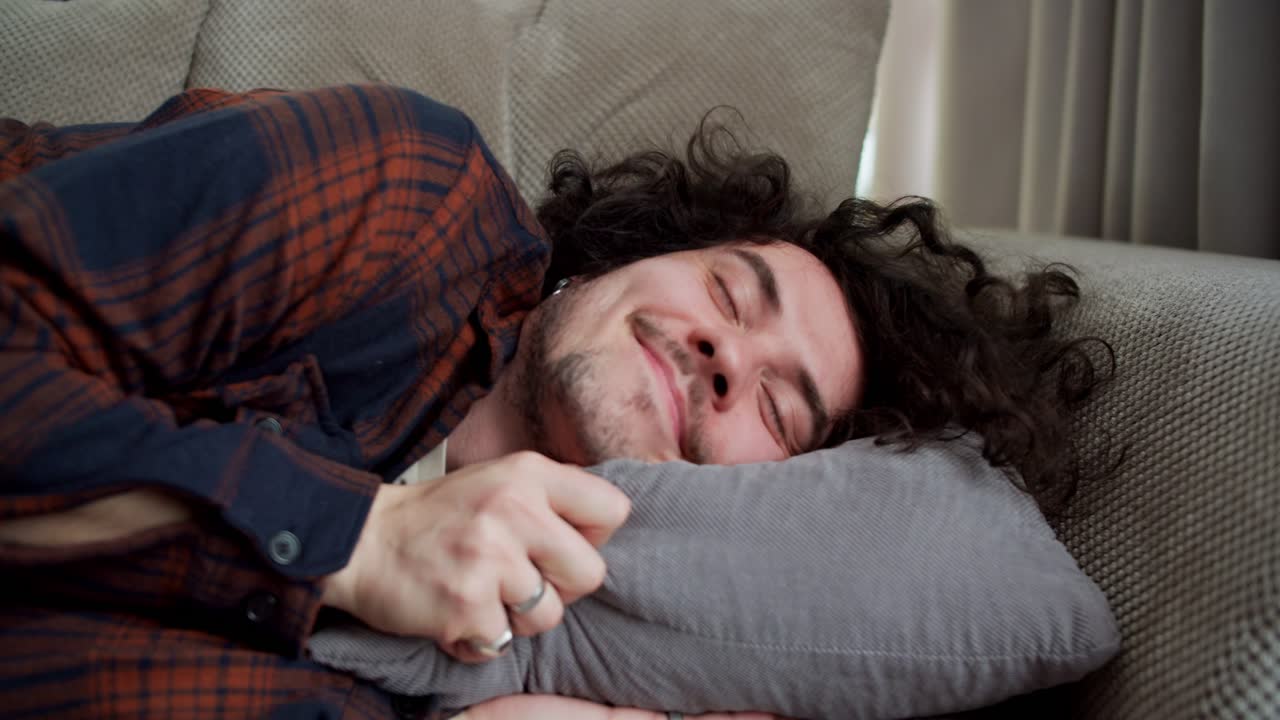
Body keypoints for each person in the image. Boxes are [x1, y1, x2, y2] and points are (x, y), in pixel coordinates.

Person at [0, 85, 1111, 719]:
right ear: (615, 260)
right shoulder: (416, 198)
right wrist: (358, 539)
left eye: (777, 411)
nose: (726, 355)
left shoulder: (475, 678)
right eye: (728, 291)